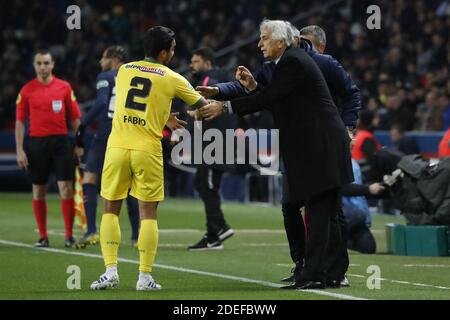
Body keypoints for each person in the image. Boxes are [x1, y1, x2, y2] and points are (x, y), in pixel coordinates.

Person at [197, 23, 360, 287]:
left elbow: (270, 97)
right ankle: (325, 273)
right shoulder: (289, 61)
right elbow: (272, 98)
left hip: (321, 145)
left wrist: (225, 107)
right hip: (315, 144)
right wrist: (245, 89)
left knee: (320, 211)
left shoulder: (294, 62)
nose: (259, 44)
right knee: (321, 211)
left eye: (264, 39)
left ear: (281, 42)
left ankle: (316, 275)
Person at [90, 26, 209, 291]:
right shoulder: (172, 77)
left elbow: (133, 102)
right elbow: (202, 104)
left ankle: (110, 272)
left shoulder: (124, 70)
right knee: (148, 215)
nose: (174, 53)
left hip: (117, 146)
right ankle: (144, 277)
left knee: (109, 208)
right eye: (173, 49)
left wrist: (163, 114)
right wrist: (220, 105)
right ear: (165, 52)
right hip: (147, 149)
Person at [74, 46, 140, 249]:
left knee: (90, 178)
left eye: (103, 57)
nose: (100, 61)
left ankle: (92, 231)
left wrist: (82, 125)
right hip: (130, 132)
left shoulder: (106, 76)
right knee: (129, 185)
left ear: (114, 59)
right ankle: (137, 236)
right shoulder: (134, 76)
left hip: (107, 132)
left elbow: (102, 102)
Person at [15, 49, 81, 248]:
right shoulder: (26, 90)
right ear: (34, 66)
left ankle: (69, 236)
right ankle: (43, 237)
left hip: (61, 142)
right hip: (36, 144)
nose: (43, 67)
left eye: (46, 63)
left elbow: (75, 118)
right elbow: (19, 122)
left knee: (66, 188)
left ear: (53, 65)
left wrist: (79, 143)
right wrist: (19, 149)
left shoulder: (64, 87)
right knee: (38, 189)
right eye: (39, 63)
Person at [187, 47, 235, 251]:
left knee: (205, 184)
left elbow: (205, 107)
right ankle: (217, 230)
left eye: (196, 62)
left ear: (207, 63)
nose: (192, 66)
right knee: (205, 184)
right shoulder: (223, 78)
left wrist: (194, 115)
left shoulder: (208, 79)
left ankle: (216, 230)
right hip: (219, 139)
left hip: (214, 141)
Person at [341, 160, 385, 254]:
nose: (352, 144)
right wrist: (368, 189)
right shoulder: (333, 162)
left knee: (369, 247)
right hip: (339, 214)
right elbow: (342, 188)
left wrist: (382, 186)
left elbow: (362, 185)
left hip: (357, 216)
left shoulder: (354, 164)